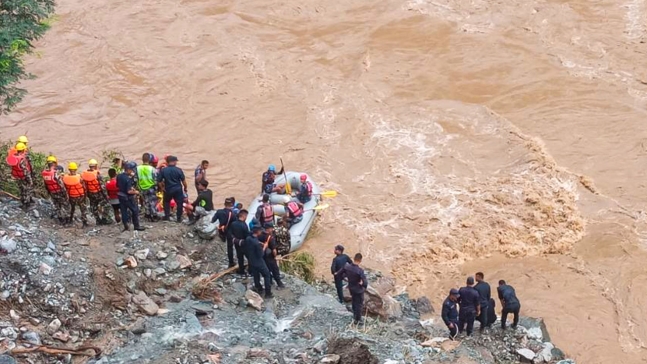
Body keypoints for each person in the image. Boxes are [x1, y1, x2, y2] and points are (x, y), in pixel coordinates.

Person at [337, 253, 368, 324]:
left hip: (351, 287)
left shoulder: (347, 267)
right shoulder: (360, 271)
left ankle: (354, 315)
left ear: (354, 258)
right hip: (358, 290)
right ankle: (358, 319)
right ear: (360, 260)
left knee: (354, 301)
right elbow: (365, 282)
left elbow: (339, 273)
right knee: (359, 304)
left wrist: (345, 278)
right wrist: (363, 287)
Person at [157, 155, 187, 222]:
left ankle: (167, 216)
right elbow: (184, 181)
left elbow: (159, 181)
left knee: (166, 202)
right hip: (178, 189)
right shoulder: (179, 170)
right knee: (179, 203)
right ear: (174, 162)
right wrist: (185, 188)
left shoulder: (164, 170)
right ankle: (179, 218)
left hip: (168, 189)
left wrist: (162, 188)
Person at [82, 159, 112, 225]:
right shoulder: (97, 175)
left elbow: (83, 185)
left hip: (90, 194)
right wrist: (106, 196)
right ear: (95, 166)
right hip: (98, 193)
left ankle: (98, 220)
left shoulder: (84, 175)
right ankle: (104, 218)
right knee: (107, 205)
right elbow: (103, 187)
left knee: (93, 207)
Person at [117, 162, 145, 232]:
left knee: (124, 211)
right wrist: (136, 192)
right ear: (128, 169)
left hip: (120, 196)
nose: (133, 171)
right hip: (128, 197)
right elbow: (129, 191)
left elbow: (117, 185)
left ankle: (126, 226)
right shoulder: (128, 179)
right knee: (135, 210)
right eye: (132, 170)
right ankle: (136, 226)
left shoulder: (119, 176)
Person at [41, 155, 70, 224]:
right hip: (59, 191)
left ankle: (60, 219)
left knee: (57, 205)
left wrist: (49, 192)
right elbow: (61, 185)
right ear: (54, 163)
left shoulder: (45, 173)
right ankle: (67, 220)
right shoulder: (55, 173)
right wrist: (66, 194)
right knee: (66, 205)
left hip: (52, 192)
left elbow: (45, 184)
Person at [246, 226, 273, 298]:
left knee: (256, 274)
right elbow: (261, 254)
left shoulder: (248, 238)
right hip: (258, 261)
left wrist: (259, 243)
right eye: (260, 231)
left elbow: (253, 243)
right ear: (257, 232)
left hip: (251, 260)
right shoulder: (256, 243)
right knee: (267, 275)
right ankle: (268, 293)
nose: (261, 232)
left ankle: (258, 287)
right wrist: (264, 246)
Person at [7, 142, 33, 208]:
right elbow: (25, 170)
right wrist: (30, 180)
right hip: (24, 176)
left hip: (17, 176)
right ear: (23, 150)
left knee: (21, 189)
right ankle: (26, 203)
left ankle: (23, 202)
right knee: (26, 189)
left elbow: (10, 165)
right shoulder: (22, 159)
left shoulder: (13, 157)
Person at [212, 197, 237, 266]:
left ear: (224, 204)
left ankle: (222, 237)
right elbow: (235, 224)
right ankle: (231, 262)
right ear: (232, 205)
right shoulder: (233, 214)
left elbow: (213, 220)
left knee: (223, 235)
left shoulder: (219, 212)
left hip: (221, 230)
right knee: (230, 247)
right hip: (229, 231)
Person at [259, 223, 284, 289]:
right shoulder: (270, 237)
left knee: (267, 270)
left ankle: (270, 281)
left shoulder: (259, 235)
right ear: (268, 229)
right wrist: (275, 256)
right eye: (271, 228)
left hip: (262, 256)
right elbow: (274, 250)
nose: (272, 230)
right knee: (275, 270)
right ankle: (279, 284)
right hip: (270, 257)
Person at [63, 162, 88, 227]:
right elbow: (84, 188)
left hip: (71, 196)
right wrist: (85, 196)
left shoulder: (65, 178)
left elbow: (64, 188)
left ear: (69, 169)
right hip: (80, 196)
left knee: (72, 209)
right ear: (76, 169)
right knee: (83, 209)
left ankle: (70, 220)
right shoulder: (79, 178)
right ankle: (84, 223)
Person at [137, 153, 159, 221]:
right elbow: (156, 179)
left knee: (146, 201)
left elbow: (135, 178)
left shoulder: (137, 168)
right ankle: (154, 215)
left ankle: (147, 214)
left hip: (142, 187)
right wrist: (157, 188)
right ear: (149, 160)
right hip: (151, 187)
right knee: (153, 201)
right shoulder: (152, 169)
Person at [230, 209, 250, 275]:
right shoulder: (244, 225)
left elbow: (231, 233)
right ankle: (251, 270)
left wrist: (235, 240)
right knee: (249, 257)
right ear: (244, 216)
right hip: (244, 244)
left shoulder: (233, 224)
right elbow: (247, 236)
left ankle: (241, 271)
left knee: (240, 258)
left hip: (237, 243)